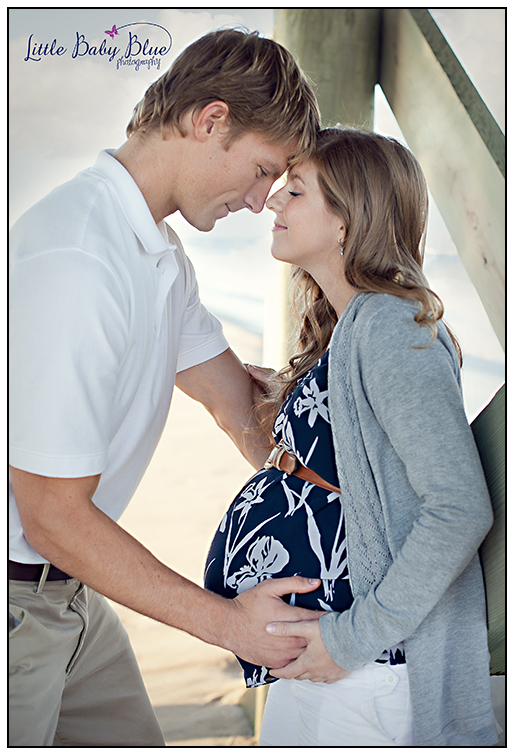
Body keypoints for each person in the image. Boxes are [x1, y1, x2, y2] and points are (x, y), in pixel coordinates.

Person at [8, 28, 323, 747]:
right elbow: (51, 515)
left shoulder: (157, 254)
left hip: (73, 592)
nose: (259, 203)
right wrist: (232, 625)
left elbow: (236, 407)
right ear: (210, 120)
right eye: (260, 171)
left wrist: (336, 467)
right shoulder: (79, 259)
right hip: (17, 599)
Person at [204, 127, 499, 746]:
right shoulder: (353, 326)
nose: (274, 201)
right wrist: (297, 400)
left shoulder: (392, 327)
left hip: (365, 670)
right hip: (332, 661)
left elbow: (459, 508)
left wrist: (350, 639)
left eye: (296, 191)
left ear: (346, 220)